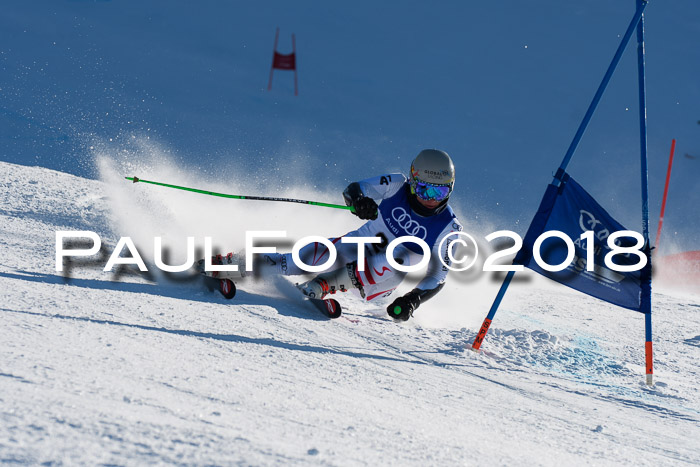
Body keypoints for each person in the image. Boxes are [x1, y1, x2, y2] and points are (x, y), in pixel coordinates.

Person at [203, 149, 463, 321]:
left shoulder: (448, 229)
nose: (429, 200)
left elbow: (438, 277)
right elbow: (355, 189)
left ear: (449, 190)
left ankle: (323, 285)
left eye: (438, 193)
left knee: (398, 256)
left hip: (377, 285)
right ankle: (233, 265)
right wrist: (360, 202)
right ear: (413, 181)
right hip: (353, 248)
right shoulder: (396, 184)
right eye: (424, 190)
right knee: (309, 256)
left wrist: (412, 299)